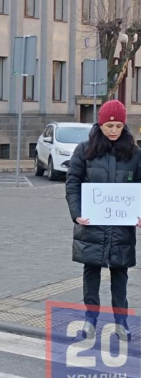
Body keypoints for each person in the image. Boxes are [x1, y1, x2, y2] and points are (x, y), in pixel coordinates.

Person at [66, 99, 141, 342]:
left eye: (118, 126)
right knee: (92, 272)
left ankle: (121, 321)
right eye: (109, 126)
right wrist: (76, 213)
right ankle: (90, 320)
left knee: (120, 274)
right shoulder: (85, 149)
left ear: (124, 127)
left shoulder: (134, 153)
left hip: (121, 227)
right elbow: (73, 183)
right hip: (92, 225)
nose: (113, 131)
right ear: (100, 125)